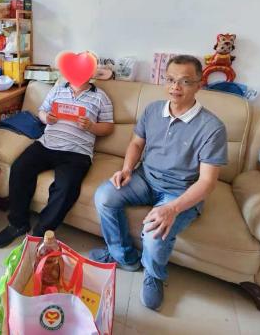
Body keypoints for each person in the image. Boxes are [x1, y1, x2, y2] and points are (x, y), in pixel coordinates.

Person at [89, 55, 228, 311]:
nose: (175, 87)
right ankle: (123, 256)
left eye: (185, 81)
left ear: (199, 85)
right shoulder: (153, 110)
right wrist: (127, 169)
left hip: (181, 191)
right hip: (145, 178)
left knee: (154, 232)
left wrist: (172, 208)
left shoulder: (212, 127)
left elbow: (208, 182)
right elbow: (136, 143)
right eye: (171, 79)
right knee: (104, 196)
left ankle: (153, 274)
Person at [0, 75, 114, 248]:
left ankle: (42, 232)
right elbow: (42, 111)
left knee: (66, 187)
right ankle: (18, 224)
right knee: (19, 168)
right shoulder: (58, 89)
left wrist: (92, 126)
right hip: (47, 144)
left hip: (77, 152)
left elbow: (108, 127)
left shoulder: (100, 96)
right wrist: (46, 118)